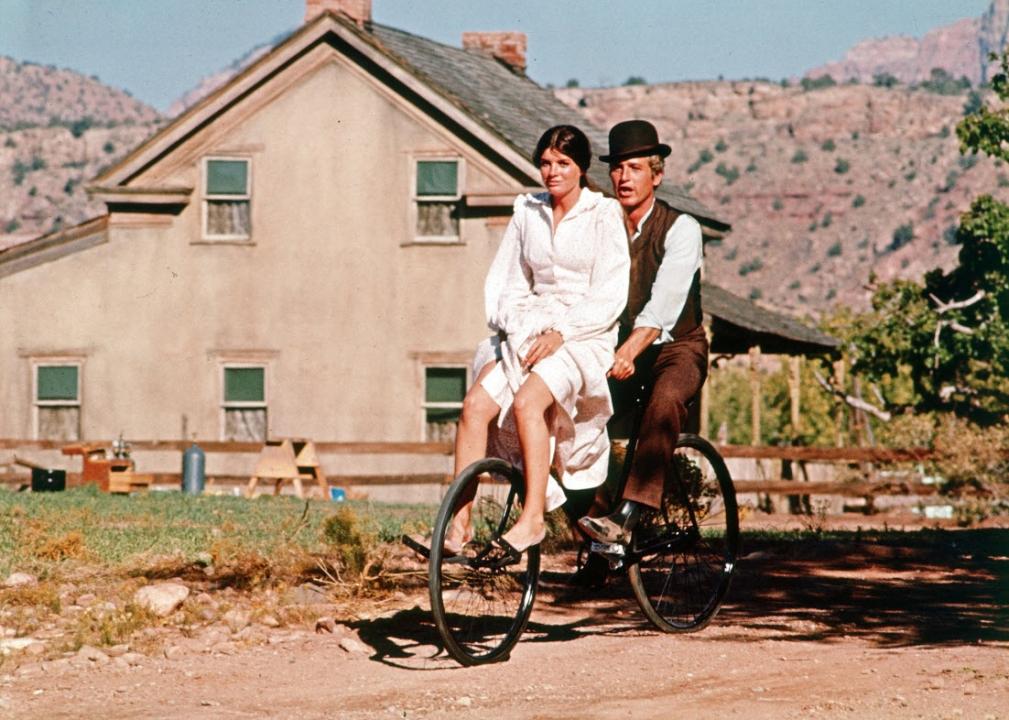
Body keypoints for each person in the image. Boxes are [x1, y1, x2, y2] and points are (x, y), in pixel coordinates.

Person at [445, 124, 630, 558]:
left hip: (584, 335)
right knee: (474, 407)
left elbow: (610, 292)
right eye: (546, 163)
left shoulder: (602, 214)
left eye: (563, 163)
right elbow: (506, 283)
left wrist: (561, 332)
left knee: (529, 402)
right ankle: (459, 522)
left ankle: (532, 520)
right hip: (528, 330)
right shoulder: (527, 211)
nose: (552, 171)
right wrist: (519, 326)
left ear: (581, 168)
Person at [577, 119, 709, 547]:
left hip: (676, 348)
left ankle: (632, 510)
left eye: (634, 168)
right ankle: (595, 530)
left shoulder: (681, 228)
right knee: (572, 412)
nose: (623, 178)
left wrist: (631, 350)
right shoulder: (603, 227)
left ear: (657, 174)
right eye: (617, 169)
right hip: (619, 348)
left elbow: (663, 307)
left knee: (665, 399)